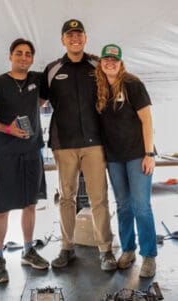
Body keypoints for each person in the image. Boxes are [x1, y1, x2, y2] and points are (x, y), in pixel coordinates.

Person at [40, 19, 117, 271]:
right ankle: (66, 248)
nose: (75, 38)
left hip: (95, 143)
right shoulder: (52, 70)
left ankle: (105, 250)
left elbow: (117, 89)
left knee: (99, 198)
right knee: (66, 197)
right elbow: (36, 104)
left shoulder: (97, 65)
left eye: (79, 34)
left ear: (85, 38)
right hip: (64, 144)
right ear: (63, 40)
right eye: (69, 35)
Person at [0, 38, 49, 284]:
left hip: (32, 152)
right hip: (5, 153)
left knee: (30, 204)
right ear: (10, 56)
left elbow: (41, 102)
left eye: (28, 54)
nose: (23, 57)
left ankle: (28, 250)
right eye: (18, 53)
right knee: (2, 208)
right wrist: (7, 129)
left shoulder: (37, 80)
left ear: (32, 58)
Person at [95, 44, 157, 278]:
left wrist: (149, 154)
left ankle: (149, 256)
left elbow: (147, 121)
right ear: (101, 63)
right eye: (106, 59)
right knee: (123, 206)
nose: (110, 63)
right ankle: (128, 250)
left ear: (121, 63)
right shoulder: (100, 89)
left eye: (115, 59)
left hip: (138, 155)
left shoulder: (133, 84)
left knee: (141, 206)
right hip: (114, 158)